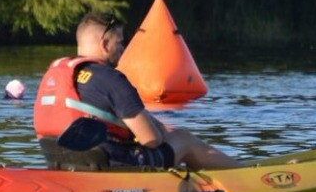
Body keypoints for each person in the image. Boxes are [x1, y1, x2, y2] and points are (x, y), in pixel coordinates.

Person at [34, 11, 240, 170]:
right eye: (120, 43)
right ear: (105, 44)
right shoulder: (111, 78)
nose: (123, 49)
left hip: (61, 162)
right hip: (110, 165)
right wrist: (159, 133)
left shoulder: (58, 73)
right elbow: (150, 139)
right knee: (183, 139)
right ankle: (245, 175)